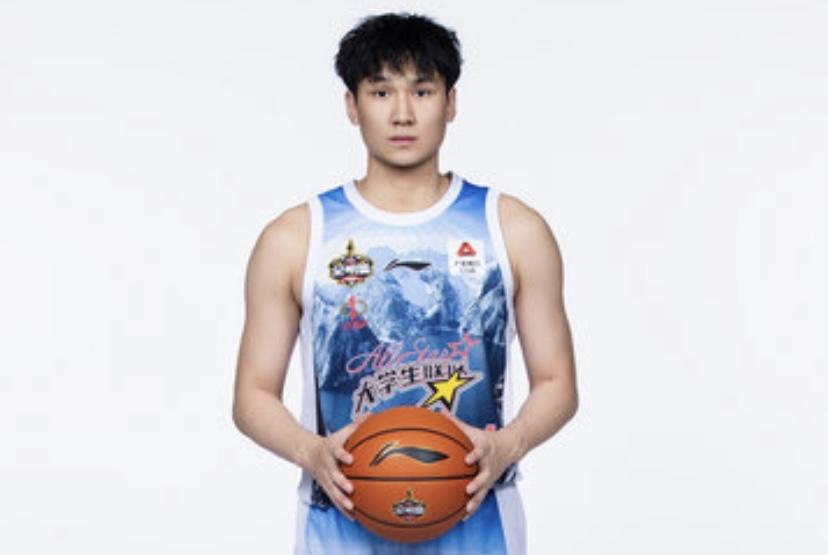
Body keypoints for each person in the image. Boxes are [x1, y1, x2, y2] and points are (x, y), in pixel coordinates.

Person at [232, 11, 578, 555]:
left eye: (422, 91)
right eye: (380, 92)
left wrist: (508, 444)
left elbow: (558, 381)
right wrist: (310, 451)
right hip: (338, 531)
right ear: (352, 105)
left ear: (451, 102)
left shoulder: (511, 228)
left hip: (479, 529)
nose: (402, 113)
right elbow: (252, 394)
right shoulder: (296, 236)